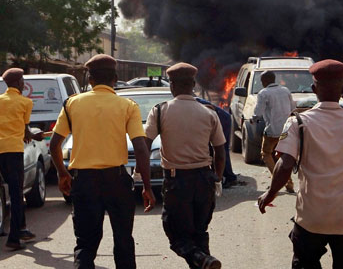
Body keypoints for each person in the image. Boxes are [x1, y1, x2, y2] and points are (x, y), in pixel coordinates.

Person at [257, 60, 343, 269]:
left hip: (310, 219)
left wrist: (270, 193)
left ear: (314, 89)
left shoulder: (298, 123)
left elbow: (285, 164)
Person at [49, 54, 155, 268]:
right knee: (124, 242)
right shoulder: (128, 106)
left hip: (84, 182)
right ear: (115, 78)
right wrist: (146, 186)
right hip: (117, 181)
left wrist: (62, 173)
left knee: (85, 245)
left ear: (90, 79)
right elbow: (141, 148)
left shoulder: (72, 104)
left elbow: (54, 145)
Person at [145, 63, 226, 269]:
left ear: (172, 85)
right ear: (193, 85)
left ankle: (203, 259)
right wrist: (217, 179)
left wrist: (141, 176)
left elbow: (145, 145)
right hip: (204, 180)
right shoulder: (209, 112)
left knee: (176, 235)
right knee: (199, 233)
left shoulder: (160, 111)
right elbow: (220, 151)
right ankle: (205, 260)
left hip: (177, 181)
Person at [0, 68, 45, 250]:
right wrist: (35, 136)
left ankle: (21, 228)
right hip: (14, 150)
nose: (23, 83)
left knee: (14, 189)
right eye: (22, 81)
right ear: (17, 83)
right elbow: (26, 131)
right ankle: (14, 238)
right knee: (16, 193)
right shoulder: (25, 102)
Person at [256, 71, 297, 193]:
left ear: (264, 81)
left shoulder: (263, 93)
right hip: (287, 130)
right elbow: (293, 108)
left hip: (272, 131)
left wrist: (253, 118)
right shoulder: (285, 90)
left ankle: (278, 180)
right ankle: (289, 184)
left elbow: (258, 112)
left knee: (266, 154)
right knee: (283, 156)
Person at [196, 97, 239, 188]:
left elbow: (210, 108)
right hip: (219, 118)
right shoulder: (188, 103)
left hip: (222, 120)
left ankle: (230, 177)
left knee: (221, 149)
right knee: (214, 149)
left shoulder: (194, 104)